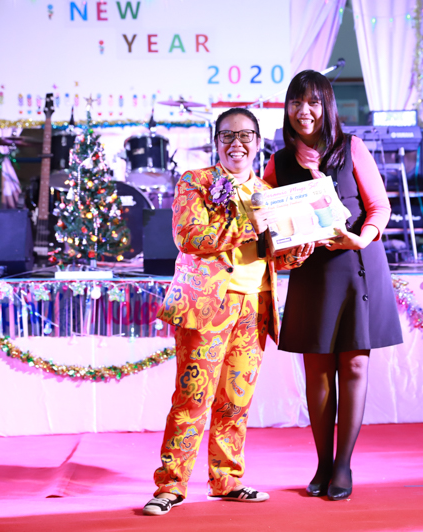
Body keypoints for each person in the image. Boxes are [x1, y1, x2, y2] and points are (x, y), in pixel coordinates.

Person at [143, 108, 310, 516]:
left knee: (236, 400)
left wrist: (298, 251)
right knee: (193, 398)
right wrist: (251, 224)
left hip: (255, 305)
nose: (237, 143)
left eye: (246, 135)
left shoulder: (269, 191)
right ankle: (170, 486)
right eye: (228, 136)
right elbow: (188, 236)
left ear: (258, 142)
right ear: (216, 141)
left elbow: (276, 254)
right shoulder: (196, 182)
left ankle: (227, 479)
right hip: (207, 306)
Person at [263, 70, 404, 501]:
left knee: (355, 365)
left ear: (327, 106)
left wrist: (362, 238)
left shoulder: (351, 147)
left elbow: (379, 207)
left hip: (357, 262)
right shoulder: (277, 162)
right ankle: (323, 463)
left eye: (313, 102)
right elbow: (267, 223)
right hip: (313, 272)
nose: (304, 111)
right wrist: (285, 249)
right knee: (318, 370)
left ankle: (343, 465)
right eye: (296, 102)